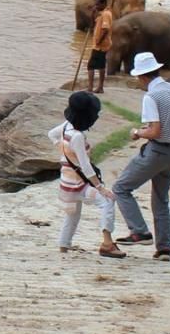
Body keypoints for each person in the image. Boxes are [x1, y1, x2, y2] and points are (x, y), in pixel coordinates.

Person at [113, 52, 170, 256]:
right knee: (160, 198)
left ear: (143, 77)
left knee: (121, 188)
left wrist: (137, 133)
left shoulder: (151, 97)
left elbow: (154, 131)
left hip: (156, 151)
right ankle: (163, 247)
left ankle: (139, 231)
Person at [51, 90, 125, 258]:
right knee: (107, 201)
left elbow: (51, 134)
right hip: (79, 184)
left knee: (73, 214)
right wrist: (100, 188)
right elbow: (85, 166)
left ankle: (64, 245)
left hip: (67, 181)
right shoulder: (77, 137)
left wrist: (63, 149)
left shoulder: (65, 127)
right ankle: (107, 243)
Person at [87, 0, 114, 94]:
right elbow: (92, 25)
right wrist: (92, 14)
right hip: (100, 44)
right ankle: (100, 87)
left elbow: (105, 29)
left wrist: (99, 41)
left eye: (97, 4)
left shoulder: (106, 14)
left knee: (90, 66)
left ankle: (91, 87)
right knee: (101, 65)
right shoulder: (101, 14)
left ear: (104, 3)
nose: (96, 6)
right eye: (95, 4)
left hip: (100, 45)